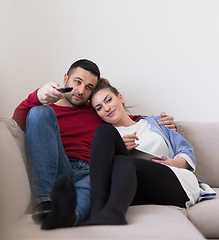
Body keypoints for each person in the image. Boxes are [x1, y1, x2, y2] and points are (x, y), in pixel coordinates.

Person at [12, 59, 176, 229]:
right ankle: (45, 204)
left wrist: (159, 122)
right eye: (77, 82)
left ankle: (67, 216)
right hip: (60, 166)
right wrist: (37, 96)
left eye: (89, 87)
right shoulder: (50, 112)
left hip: (93, 169)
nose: (81, 91)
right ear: (66, 78)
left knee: (92, 185)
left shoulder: (96, 110)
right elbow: (16, 124)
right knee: (39, 111)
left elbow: (126, 119)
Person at [79, 82, 217, 226]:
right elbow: (102, 171)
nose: (106, 108)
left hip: (173, 181)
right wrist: (119, 148)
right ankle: (98, 209)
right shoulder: (107, 138)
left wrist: (172, 162)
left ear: (120, 98)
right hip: (135, 187)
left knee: (123, 161)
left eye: (109, 100)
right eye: (99, 108)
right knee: (106, 136)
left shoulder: (157, 123)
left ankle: (113, 213)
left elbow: (185, 150)